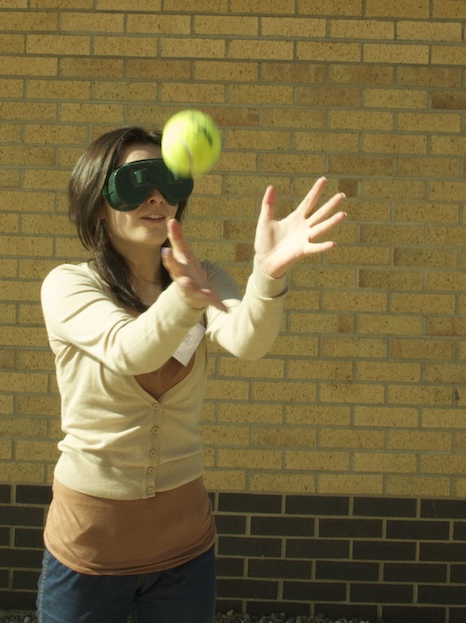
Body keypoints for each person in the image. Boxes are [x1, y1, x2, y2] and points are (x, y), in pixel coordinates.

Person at [36, 125, 346, 623]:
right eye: (136, 182)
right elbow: (127, 349)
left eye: (170, 182)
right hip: (90, 549)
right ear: (98, 201)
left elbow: (247, 340)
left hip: (185, 549)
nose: (157, 196)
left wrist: (267, 275)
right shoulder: (69, 285)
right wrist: (185, 296)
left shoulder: (202, 277)